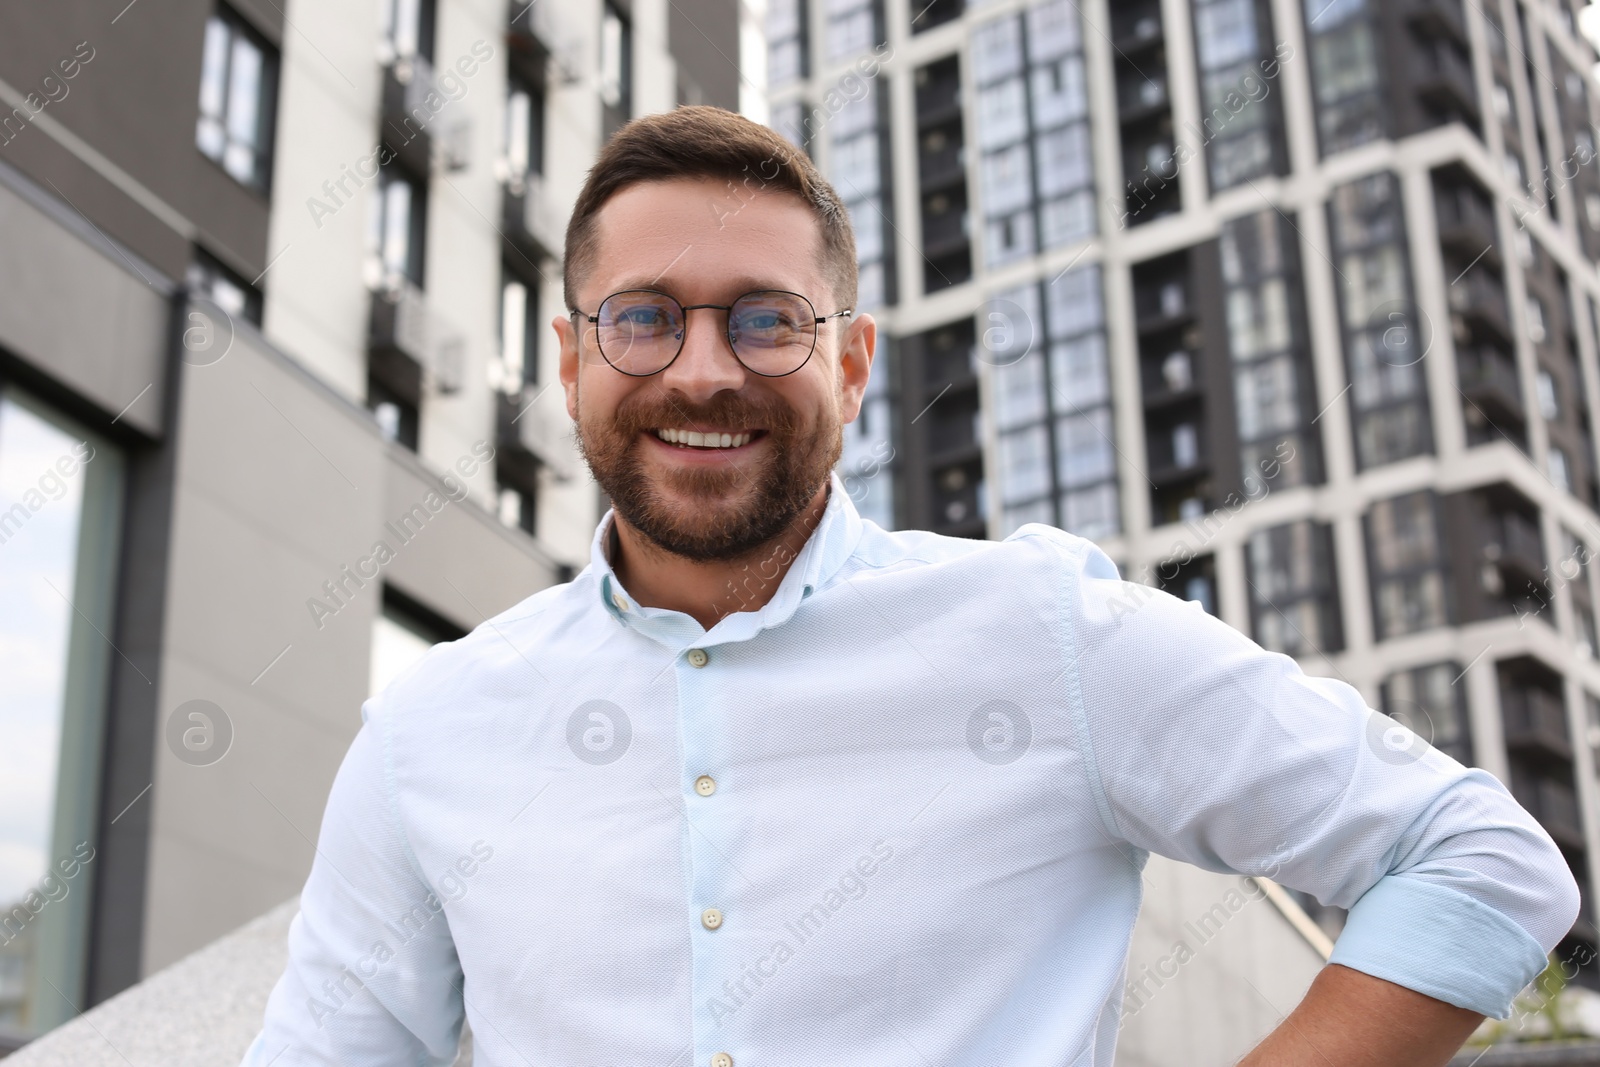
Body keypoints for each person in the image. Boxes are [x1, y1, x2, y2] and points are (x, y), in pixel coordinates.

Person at [242, 105, 1579, 1067]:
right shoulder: (429, 735)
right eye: (645, 317)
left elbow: (1480, 860)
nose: (703, 372)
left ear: (855, 362)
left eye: (766, 319)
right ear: (574, 358)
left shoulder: (1044, 637)